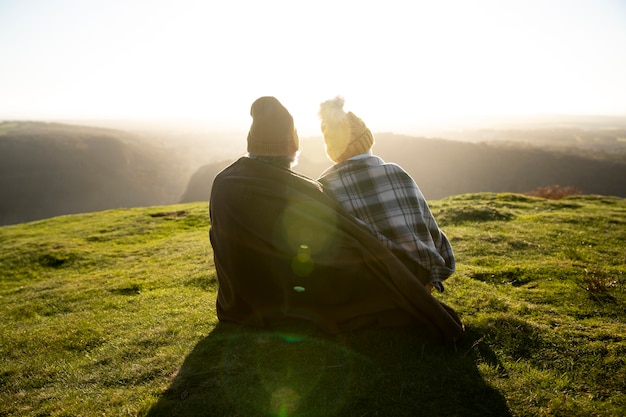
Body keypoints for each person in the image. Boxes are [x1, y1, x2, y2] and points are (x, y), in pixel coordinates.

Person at [209, 96, 464, 343]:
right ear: (293, 146)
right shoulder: (392, 175)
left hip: (236, 304)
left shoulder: (222, 183)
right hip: (413, 273)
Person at [317, 96, 455, 293]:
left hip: (369, 282)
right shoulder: (396, 173)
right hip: (418, 277)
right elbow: (431, 231)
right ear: (367, 142)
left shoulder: (325, 185)